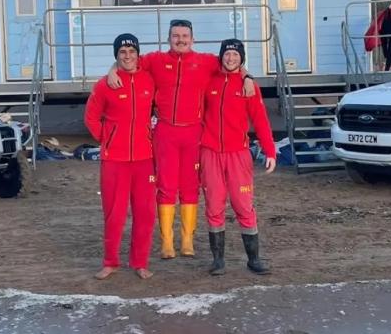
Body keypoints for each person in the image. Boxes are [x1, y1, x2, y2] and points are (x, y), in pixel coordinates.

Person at [106, 19, 255, 260]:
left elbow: (234, 63)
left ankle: (187, 241)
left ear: (192, 39)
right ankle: (166, 243)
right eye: (176, 36)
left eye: (185, 36)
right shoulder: (155, 60)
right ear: (169, 39)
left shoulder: (205, 61)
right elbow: (128, 60)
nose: (181, 40)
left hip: (194, 132)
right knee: (165, 186)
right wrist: (112, 69)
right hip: (165, 132)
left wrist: (249, 77)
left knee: (190, 186)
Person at [83, 33, 157, 280]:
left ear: (138, 54)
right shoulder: (106, 84)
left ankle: (140, 263)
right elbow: (91, 117)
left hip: (145, 158)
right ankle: (110, 262)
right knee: (114, 214)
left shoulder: (150, 79)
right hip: (114, 159)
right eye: (122, 53)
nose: (128, 56)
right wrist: (106, 138)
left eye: (131, 52)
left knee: (145, 213)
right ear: (116, 56)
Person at [200, 38, 276, 276]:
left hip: (238, 154)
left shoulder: (248, 86)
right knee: (214, 205)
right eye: (227, 54)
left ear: (241, 58)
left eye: (235, 55)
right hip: (210, 152)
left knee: (244, 205)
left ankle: (253, 259)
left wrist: (270, 150)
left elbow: (261, 120)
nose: (230, 58)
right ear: (221, 56)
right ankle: (218, 261)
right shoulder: (208, 80)